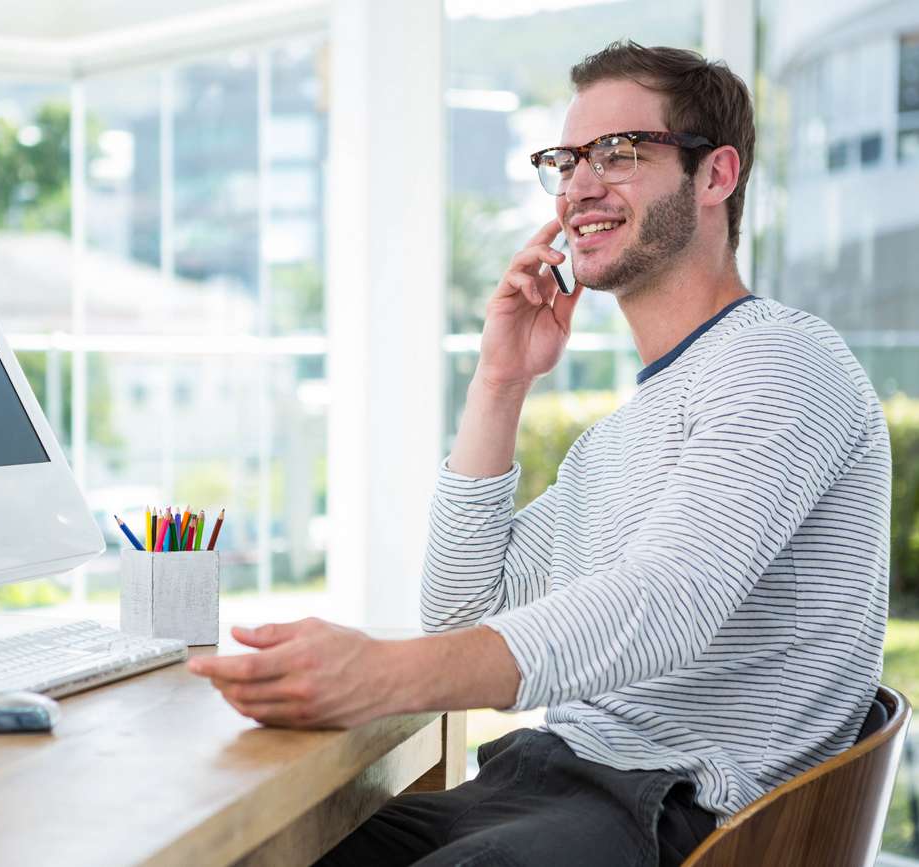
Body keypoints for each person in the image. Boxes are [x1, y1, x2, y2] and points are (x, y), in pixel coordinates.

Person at [186, 40, 891, 867]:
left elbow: (661, 607)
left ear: (716, 176)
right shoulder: (620, 439)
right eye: (565, 160)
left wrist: (386, 674)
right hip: (543, 781)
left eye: (619, 153)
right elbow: (461, 609)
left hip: (674, 812)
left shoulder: (781, 363)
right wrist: (500, 379)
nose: (578, 186)